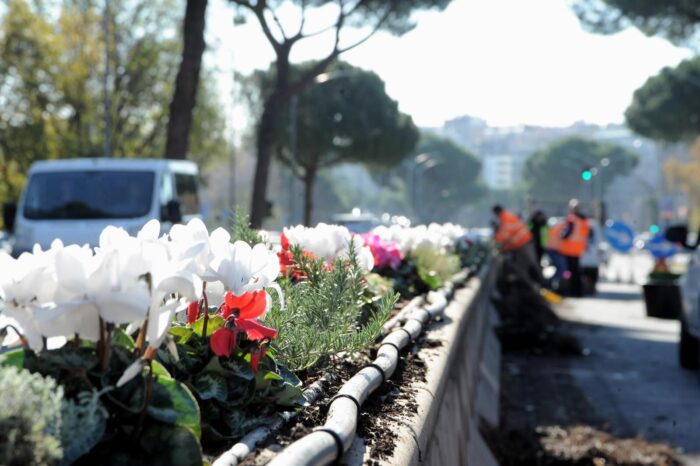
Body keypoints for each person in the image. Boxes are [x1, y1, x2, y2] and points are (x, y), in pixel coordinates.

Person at [492, 205, 544, 286]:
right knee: (522, 267)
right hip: (520, 245)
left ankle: (542, 283)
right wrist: (504, 247)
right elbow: (509, 238)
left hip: (525, 243)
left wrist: (496, 238)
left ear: (496, 213)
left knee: (532, 263)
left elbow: (505, 235)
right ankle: (530, 285)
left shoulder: (506, 218)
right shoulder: (506, 217)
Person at [559, 199, 590, 297]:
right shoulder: (584, 219)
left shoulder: (572, 218)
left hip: (570, 249)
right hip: (579, 249)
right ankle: (578, 291)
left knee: (571, 272)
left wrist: (561, 236)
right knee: (576, 271)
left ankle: (573, 291)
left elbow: (567, 233)